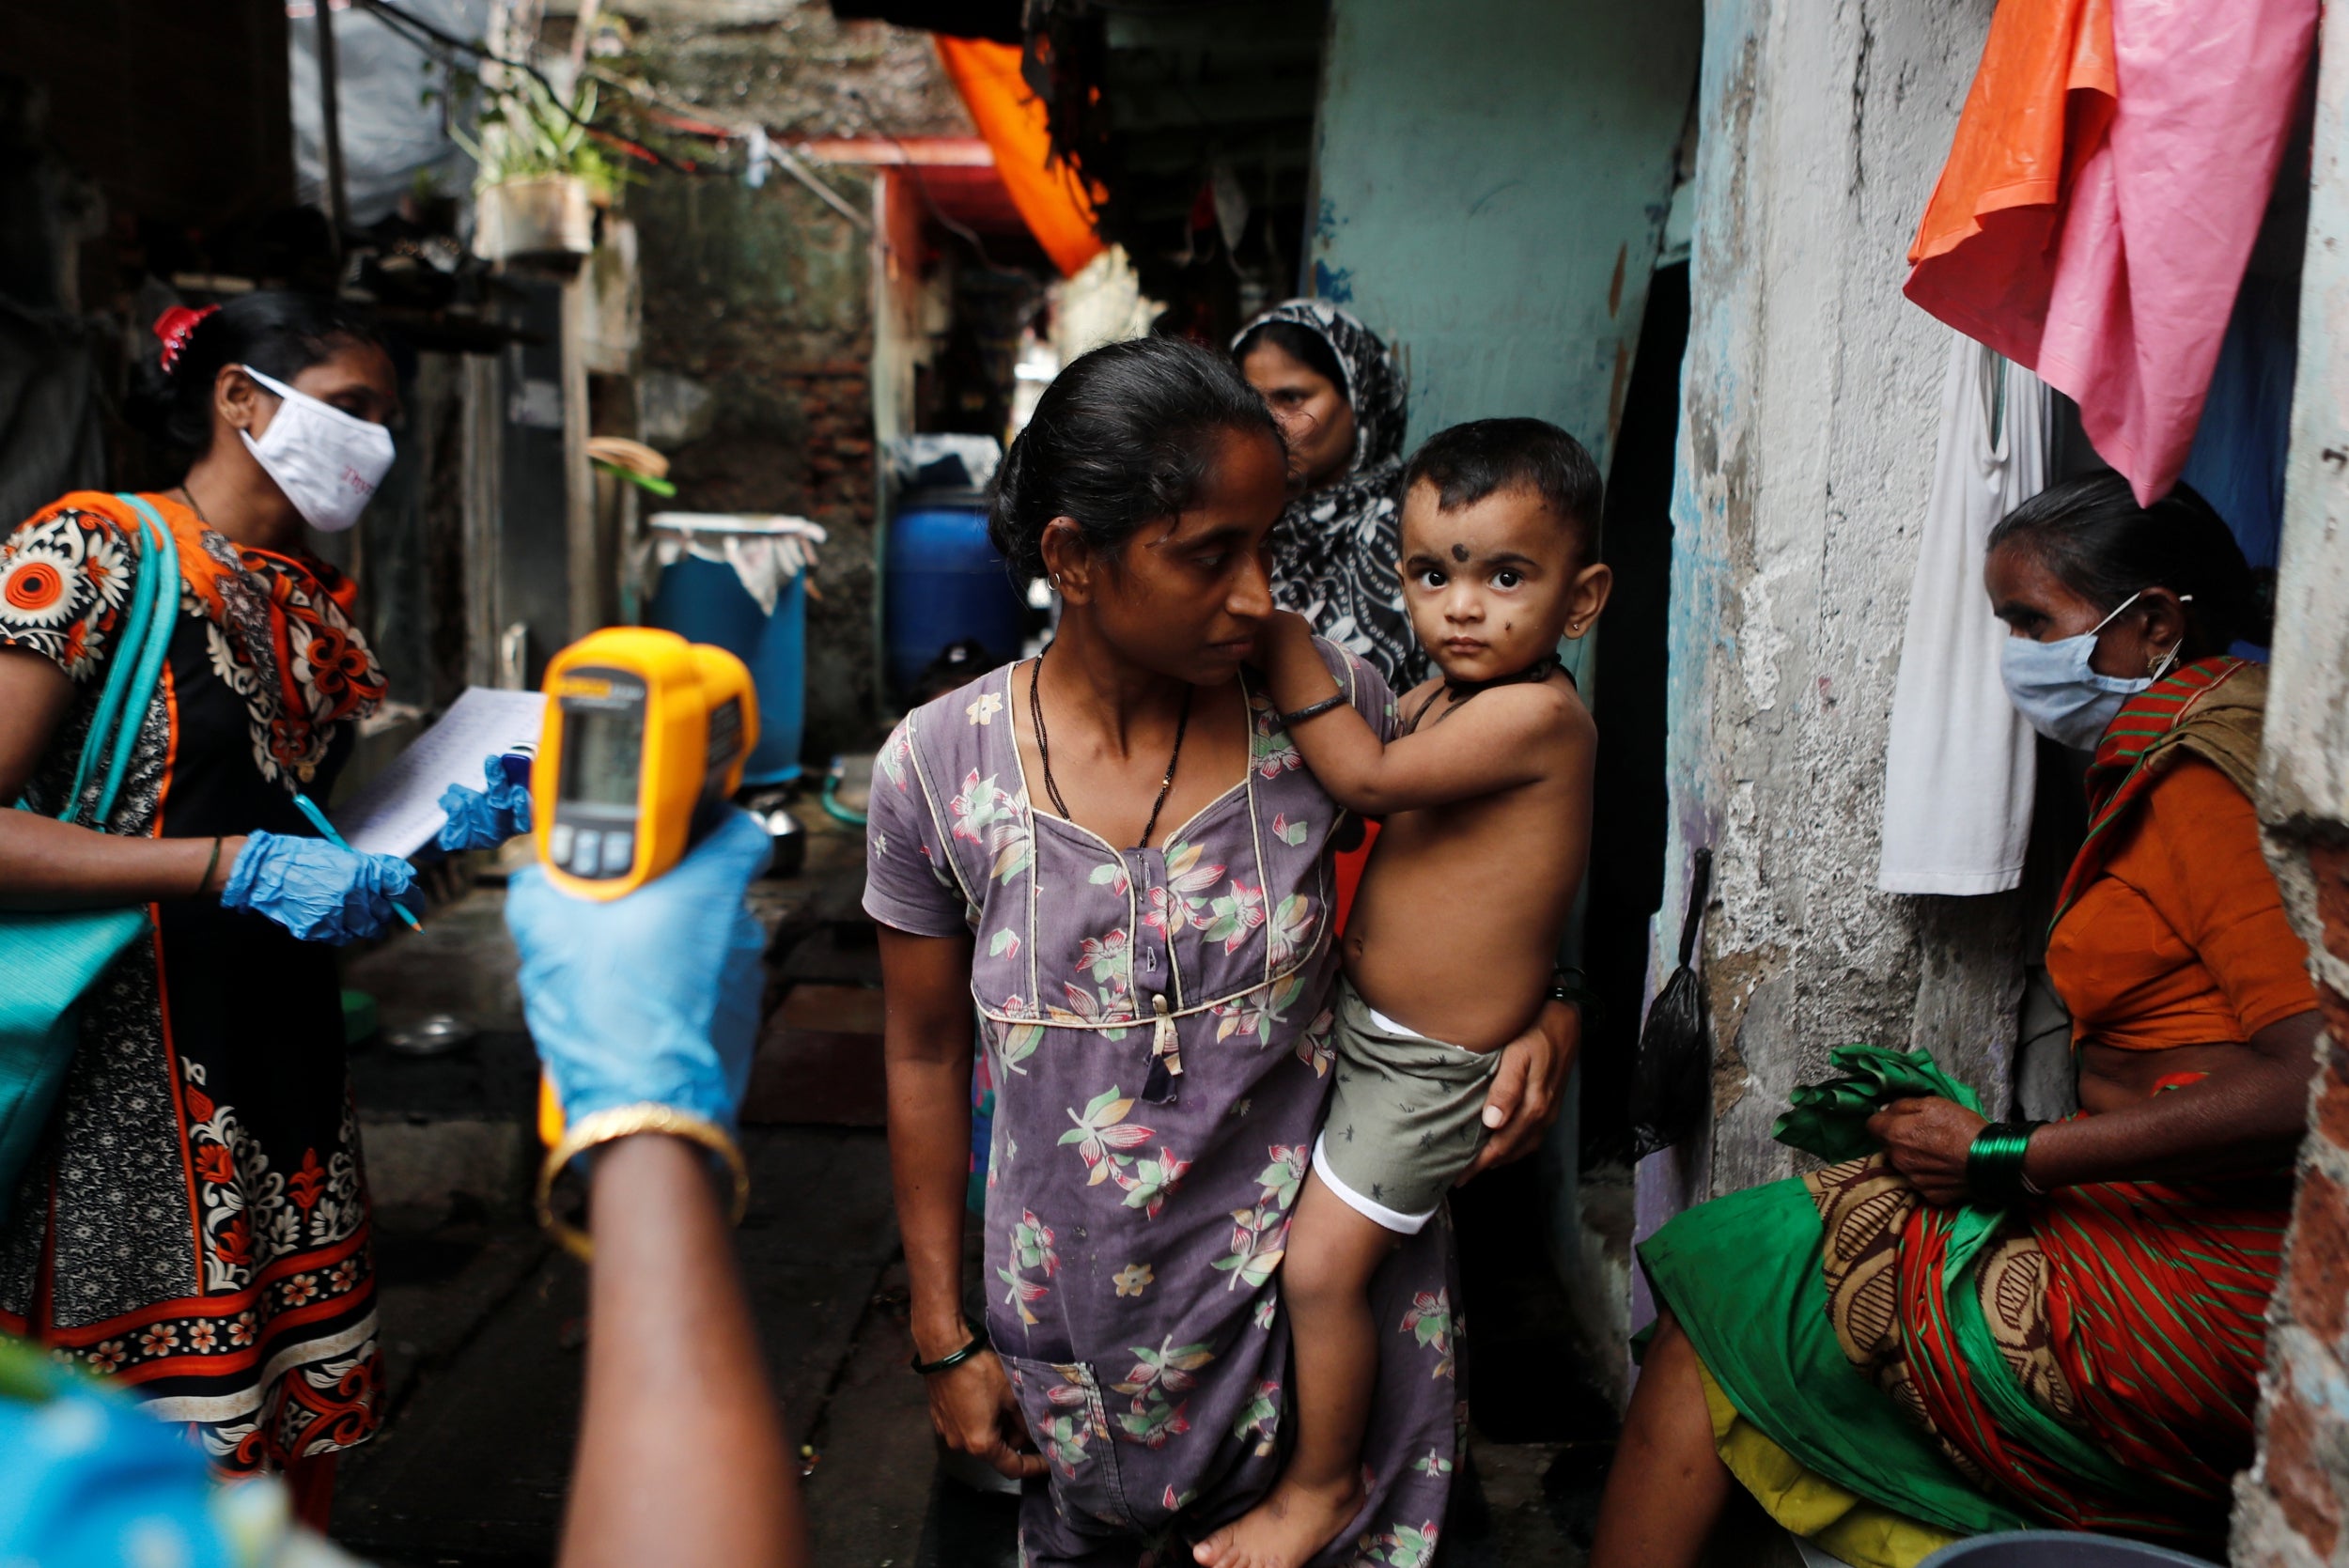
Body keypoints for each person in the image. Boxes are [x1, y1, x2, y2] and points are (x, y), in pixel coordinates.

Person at [867, 336, 1579, 1567]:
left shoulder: (1327, 705)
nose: (1259, 594)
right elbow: (924, 1053)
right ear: (1074, 560)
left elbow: (1486, 861)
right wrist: (943, 1332)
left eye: (1267, 542)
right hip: (1084, 1334)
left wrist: (1545, 1004)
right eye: (1210, 556)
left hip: (1325, 1320)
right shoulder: (939, 770)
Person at [1589, 473, 2320, 1568]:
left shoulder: (2206, 788)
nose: (2015, 655)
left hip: (2202, 1279)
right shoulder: (2167, 757)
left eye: (2034, 622)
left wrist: (2005, 1152)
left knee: (1743, 1281)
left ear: (2156, 622)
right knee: (1761, 1259)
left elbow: (2311, 1081)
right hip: (2138, 1219)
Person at [0, 815, 809, 1568]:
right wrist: (646, 1130)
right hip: (131, 1088)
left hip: (276, 1082)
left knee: (286, 1405)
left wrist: (404, 836)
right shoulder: (59, 1484)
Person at [0, 294, 469, 1520]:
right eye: (352, 407)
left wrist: (411, 857)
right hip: (119, 1089)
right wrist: (226, 868)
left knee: (284, 1444)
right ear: (240, 399)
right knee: (131, 1466)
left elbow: (302, 833)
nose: (375, 441)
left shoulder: (312, 601)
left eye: (388, 421)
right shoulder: (97, 549)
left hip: (287, 1085)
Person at [1196, 419, 1612, 1568]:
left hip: (1432, 1068)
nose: (1461, 606)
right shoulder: (1438, 694)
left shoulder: (1538, 718)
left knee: (1322, 1269)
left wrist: (1286, 649)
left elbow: (1369, 780)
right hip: (1369, 1032)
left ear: (1580, 600)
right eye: (1433, 573)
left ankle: (1321, 1489)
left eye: (1504, 576)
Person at [1233, 302, 1421, 688]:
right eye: (1252, 402)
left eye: (1292, 398)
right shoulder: (1239, 517)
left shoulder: (1407, 525)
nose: (1270, 422)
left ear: (1360, 400)